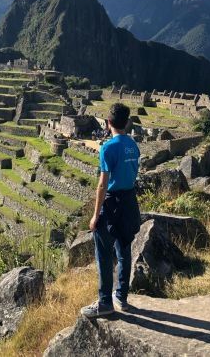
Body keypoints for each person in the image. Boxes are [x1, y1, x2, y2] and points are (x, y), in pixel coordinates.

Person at [81, 103, 141, 318]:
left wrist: (95, 215)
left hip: (112, 203)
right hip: (130, 202)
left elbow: (102, 184)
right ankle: (122, 298)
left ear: (108, 123)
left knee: (104, 254)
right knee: (124, 250)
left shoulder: (108, 147)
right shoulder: (133, 146)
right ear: (127, 122)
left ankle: (105, 302)